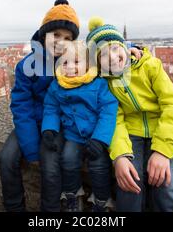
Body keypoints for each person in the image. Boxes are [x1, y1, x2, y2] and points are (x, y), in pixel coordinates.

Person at [86, 17, 173, 212]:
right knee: (128, 189)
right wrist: (120, 156)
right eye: (104, 54)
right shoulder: (106, 83)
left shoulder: (150, 66)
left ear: (124, 47)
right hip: (130, 135)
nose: (114, 57)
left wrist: (162, 151)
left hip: (161, 129)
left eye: (115, 48)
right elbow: (114, 120)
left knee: (168, 188)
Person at [0, 0, 80, 212]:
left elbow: (106, 57)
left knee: (51, 170)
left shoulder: (74, 64)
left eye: (67, 38)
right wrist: (31, 147)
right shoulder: (27, 66)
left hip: (56, 125)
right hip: (31, 122)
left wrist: (133, 50)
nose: (61, 42)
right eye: (56, 35)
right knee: (6, 158)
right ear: (44, 35)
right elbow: (21, 105)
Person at [41, 41, 118, 212]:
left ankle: (101, 201)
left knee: (99, 166)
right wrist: (49, 129)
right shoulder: (57, 85)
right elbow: (50, 108)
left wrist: (100, 139)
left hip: (95, 136)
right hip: (73, 136)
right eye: (65, 62)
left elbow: (108, 111)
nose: (70, 67)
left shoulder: (98, 85)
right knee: (68, 160)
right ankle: (73, 195)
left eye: (76, 62)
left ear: (88, 64)